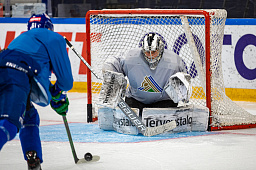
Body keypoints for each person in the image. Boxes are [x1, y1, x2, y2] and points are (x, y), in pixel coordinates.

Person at [0, 13, 73, 170]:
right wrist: (58, 93)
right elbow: (66, 81)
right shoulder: (53, 37)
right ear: (49, 27)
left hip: (8, 71)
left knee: (29, 115)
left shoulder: (20, 40)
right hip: (14, 74)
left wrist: (53, 93)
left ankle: (34, 161)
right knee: (9, 123)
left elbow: (32, 75)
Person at [98, 32, 194, 134]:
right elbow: (112, 63)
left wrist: (182, 91)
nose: (151, 56)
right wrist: (111, 77)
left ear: (160, 49)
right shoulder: (130, 57)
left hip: (163, 102)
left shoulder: (175, 62)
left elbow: (184, 82)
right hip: (136, 100)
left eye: (154, 52)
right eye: (147, 52)